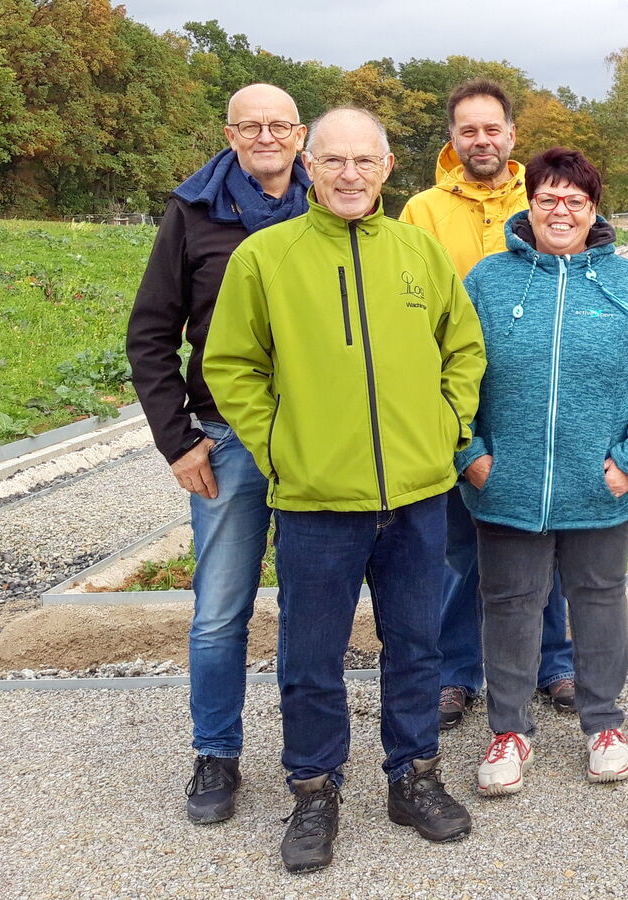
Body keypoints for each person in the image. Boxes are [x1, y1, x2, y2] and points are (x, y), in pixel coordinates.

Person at [203, 107, 485, 873]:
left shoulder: (418, 252)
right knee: (311, 654)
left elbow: (462, 347)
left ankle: (413, 776)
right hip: (316, 500)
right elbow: (230, 365)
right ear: (309, 166)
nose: (350, 175)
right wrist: (278, 447)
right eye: (333, 161)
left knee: (417, 644)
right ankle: (315, 789)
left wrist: (448, 426)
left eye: (365, 161)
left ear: (388, 168)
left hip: (417, 493)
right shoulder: (266, 258)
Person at [459, 148, 628, 795]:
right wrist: (470, 456)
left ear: (593, 209)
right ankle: (509, 731)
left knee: (598, 602)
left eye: (575, 201)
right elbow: (448, 375)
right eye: (548, 198)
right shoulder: (489, 281)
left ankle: (604, 724)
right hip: (507, 488)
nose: (561, 211)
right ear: (528, 204)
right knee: (509, 605)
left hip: (601, 486)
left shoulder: (627, 285)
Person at [126, 82, 309, 825]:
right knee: (219, 612)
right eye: (250, 125)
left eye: (279, 125)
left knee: (309, 605)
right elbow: (150, 334)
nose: (266, 136)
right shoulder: (193, 214)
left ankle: (311, 756)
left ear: (300, 135)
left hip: (310, 441)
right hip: (226, 438)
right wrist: (179, 441)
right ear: (229, 135)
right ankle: (215, 754)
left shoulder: (330, 200)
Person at [401, 78, 577, 729]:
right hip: (455, 403)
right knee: (460, 547)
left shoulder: (544, 198)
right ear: (452, 138)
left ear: (511, 134)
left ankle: (553, 661)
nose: (481, 139)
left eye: (492, 128)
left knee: (544, 534)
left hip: (534, 402)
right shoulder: (421, 212)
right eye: (468, 129)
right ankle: (456, 671)